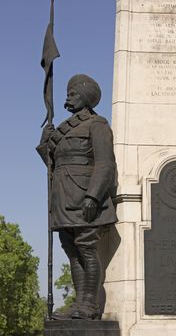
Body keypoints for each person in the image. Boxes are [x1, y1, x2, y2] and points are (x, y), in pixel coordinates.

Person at [36, 74, 117, 320]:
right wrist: (45, 142)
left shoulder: (97, 124)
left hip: (84, 197)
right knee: (72, 251)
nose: (68, 96)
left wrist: (93, 196)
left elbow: (105, 164)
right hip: (62, 197)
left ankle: (89, 305)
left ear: (87, 96)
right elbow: (53, 164)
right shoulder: (62, 129)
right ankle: (78, 304)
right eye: (68, 92)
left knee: (86, 249)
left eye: (74, 93)